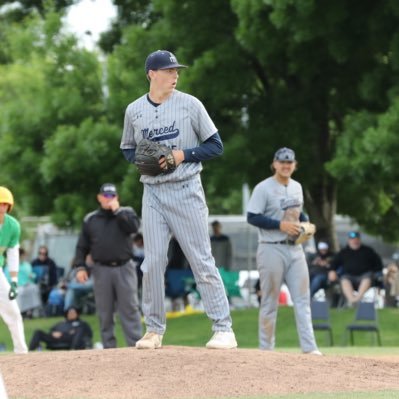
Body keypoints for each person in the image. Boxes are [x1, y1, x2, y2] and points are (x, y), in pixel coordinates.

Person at [120, 50, 237, 350]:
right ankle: (154, 330)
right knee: (153, 262)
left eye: (176, 70)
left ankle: (224, 329)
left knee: (201, 260)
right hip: (153, 193)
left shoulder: (190, 104)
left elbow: (216, 146)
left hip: (186, 189)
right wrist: (144, 159)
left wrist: (182, 154)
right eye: (168, 70)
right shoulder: (134, 110)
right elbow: (128, 149)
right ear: (151, 74)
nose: (175, 75)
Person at [246, 148, 321, 354]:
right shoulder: (263, 188)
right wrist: (280, 225)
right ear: (275, 164)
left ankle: (309, 348)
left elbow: (297, 212)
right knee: (270, 301)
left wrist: (305, 223)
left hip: (296, 249)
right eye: (282, 162)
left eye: (289, 163)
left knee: (303, 299)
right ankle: (266, 350)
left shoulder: (297, 187)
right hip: (271, 249)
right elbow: (252, 216)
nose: (286, 166)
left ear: (295, 165)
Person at [72, 183, 142, 348]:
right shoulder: (91, 219)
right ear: (99, 197)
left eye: (112, 196)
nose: (108, 199)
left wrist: (118, 212)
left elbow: (133, 228)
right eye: (105, 196)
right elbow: (82, 246)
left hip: (125, 267)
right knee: (105, 312)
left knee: (130, 309)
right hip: (101, 269)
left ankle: (136, 345)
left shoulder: (127, 213)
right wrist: (80, 267)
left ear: (117, 197)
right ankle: (109, 348)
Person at [0, 186, 28, 353]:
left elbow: (12, 254)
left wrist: (14, 281)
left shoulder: (13, 226)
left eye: (5, 204)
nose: (2, 207)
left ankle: (21, 352)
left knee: (13, 311)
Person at [329, 231, 383, 306]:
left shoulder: (368, 251)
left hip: (365, 276)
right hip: (349, 276)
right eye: (352, 239)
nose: (354, 241)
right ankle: (352, 300)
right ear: (349, 241)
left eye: (356, 239)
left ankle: (356, 300)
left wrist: (377, 273)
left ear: (359, 240)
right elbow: (334, 263)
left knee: (366, 279)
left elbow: (378, 264)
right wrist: (332, 271)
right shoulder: (343, 252)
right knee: (344, 280)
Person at [28, 306, 93, 350]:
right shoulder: (61, 323)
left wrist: (71, 333)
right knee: (38, 332)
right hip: (55, 339)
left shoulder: (81, 323)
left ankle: (73, 350)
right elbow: (52, 330)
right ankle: (30, 350)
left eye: (73, 312)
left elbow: (88, 334)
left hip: (70, 340)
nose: (71, 314)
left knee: (79, 330)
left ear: (77, 313)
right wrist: (53, 333)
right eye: (70, 313)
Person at [4, 248, 41, 318]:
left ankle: (32, 311)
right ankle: (19, 313)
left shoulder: (27, 265)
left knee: (34, 288)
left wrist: (32, 276)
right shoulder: (10, 266)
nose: (24, 257)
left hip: (27, 284)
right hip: (16, 286)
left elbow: (32, 275)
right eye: (23, 256)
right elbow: (7, 279)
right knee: (20, 292)